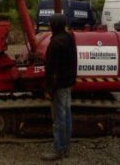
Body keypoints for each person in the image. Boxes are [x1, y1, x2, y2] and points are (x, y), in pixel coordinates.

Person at [42, 13, 77, 161]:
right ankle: (66, 148)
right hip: (67, 83)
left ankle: (59, 150)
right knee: (67, 116)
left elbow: (51, 69)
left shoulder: (56, 42)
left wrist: (49, 89)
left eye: (51, 23)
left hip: (58, 86)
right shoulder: (69, 38)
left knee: (58, 119)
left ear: (54, 25)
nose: (49, 25)